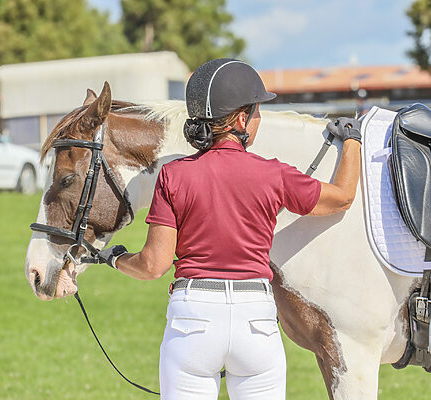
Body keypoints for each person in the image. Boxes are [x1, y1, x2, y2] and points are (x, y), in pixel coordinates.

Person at [98, 58, 362, 400]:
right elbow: (341, 198)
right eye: (256, 112)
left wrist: (116, 258)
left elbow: (152, 265)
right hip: (255, 323)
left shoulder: (174, 175)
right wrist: (352, 140)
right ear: (240, 119)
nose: (259, 119)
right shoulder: (274, 174)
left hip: (192, 320)